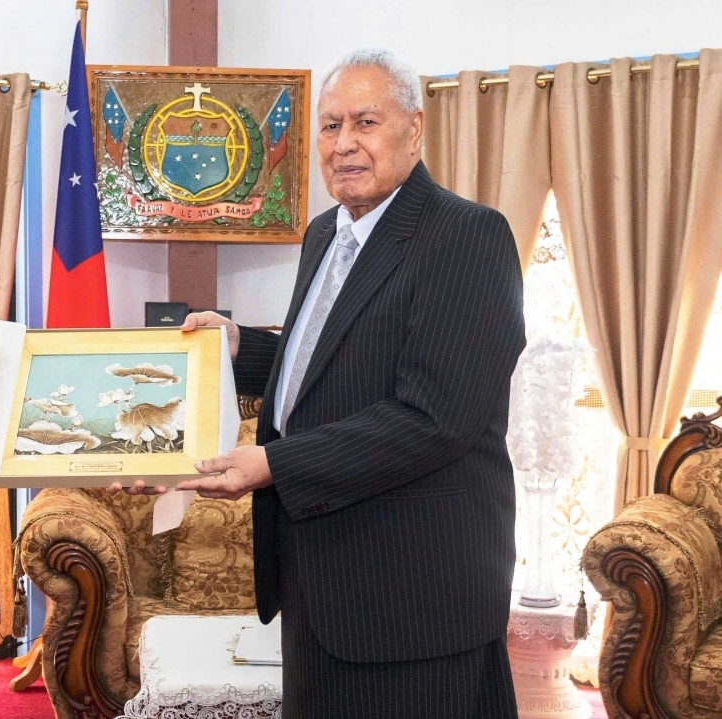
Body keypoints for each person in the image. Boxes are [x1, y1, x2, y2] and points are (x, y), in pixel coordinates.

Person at [115, 48, 525, 718]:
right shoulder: (326, 234)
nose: (344, 144)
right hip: (317, 580)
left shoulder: (466, 235)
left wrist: (270, 462)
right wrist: (239, 346)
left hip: (412, 596)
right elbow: (326, 363)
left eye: (366, 121)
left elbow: (434, 416)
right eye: (330, 126)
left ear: (414, 128)